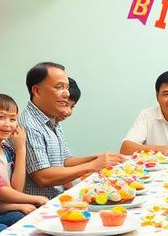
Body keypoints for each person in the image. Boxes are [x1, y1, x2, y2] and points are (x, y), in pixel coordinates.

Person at [22, 62, 124, 198]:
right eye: (59, 87)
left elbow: (65, 161)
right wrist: (93, 165)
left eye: (67, 87)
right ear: (37, 90)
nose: (66, 94)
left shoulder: (51, 118)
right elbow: (43, 177)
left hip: (57, 198)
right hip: (39, 206)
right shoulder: (29, 124)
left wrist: (97, 158)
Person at [0, 94, 47, 228]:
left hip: (4, 206)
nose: (7, 124)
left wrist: (21, 149)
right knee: (23, 220)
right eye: (1, 117)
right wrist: (35, 198)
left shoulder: (7, 149)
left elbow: (16, 189)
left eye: (12, 119)